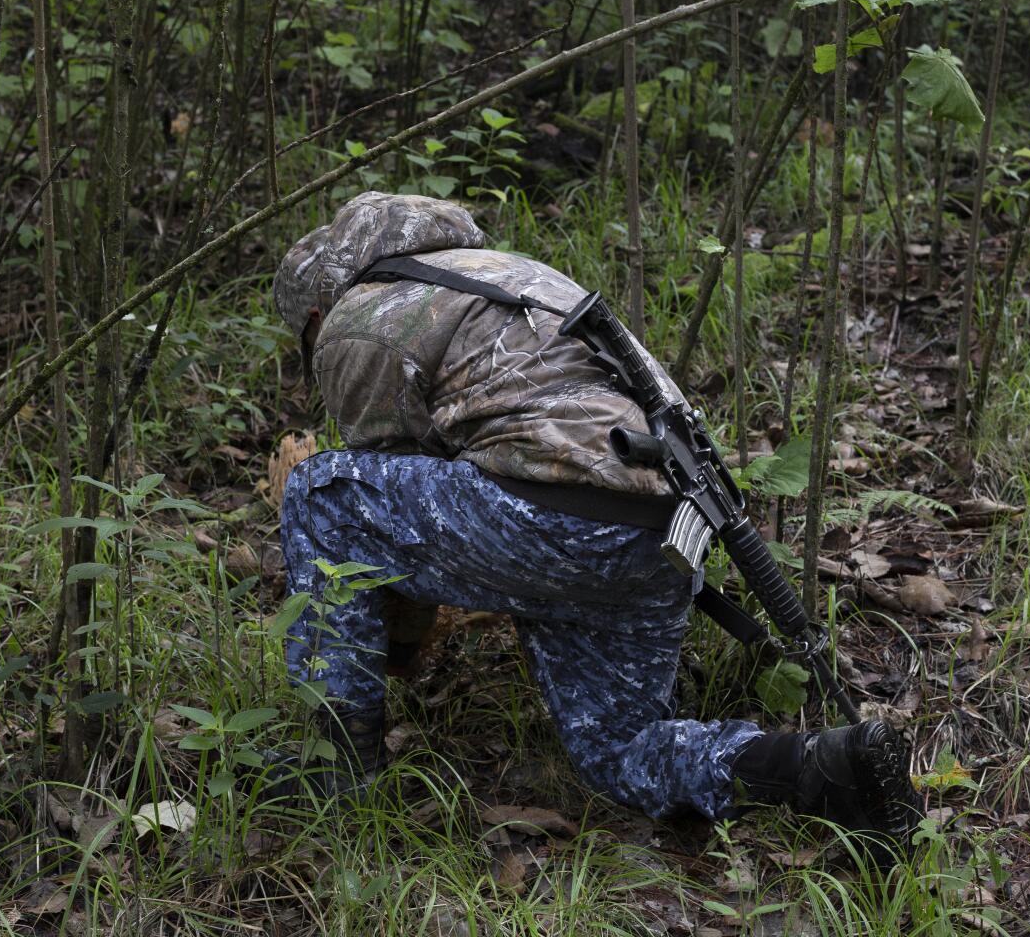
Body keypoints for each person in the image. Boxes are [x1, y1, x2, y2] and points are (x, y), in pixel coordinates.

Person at [269, 191, 920, 843]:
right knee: (619, 752)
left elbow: (372, 535)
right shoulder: (501, 269)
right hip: (668, 528)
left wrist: (398, 654)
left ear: (317, 313)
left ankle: (337, 779)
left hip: (556, 519)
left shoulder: (361, 319)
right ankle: (827, 768)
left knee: (321, 495)